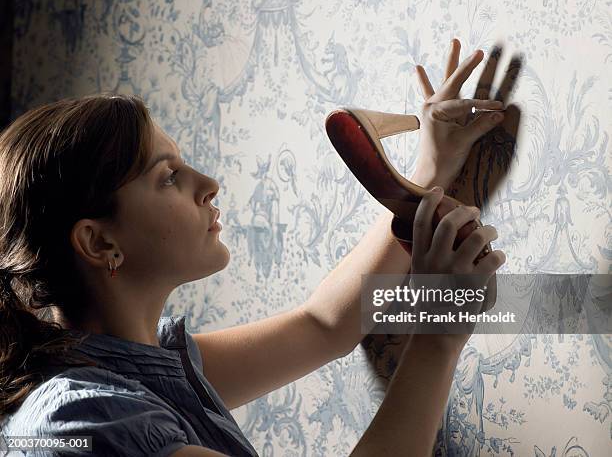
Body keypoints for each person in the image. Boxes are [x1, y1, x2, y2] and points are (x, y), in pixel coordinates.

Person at [0, 39, 506, 456]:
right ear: (98, 240)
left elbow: (323, 326)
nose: (209, 183)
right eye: (169, 176)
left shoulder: (139, 366)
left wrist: (424, 177)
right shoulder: (85, 420)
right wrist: (439, 336)